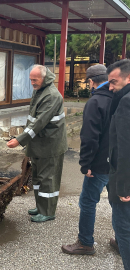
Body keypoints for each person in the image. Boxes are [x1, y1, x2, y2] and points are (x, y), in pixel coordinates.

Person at [61, 64, 112, 255]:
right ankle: (123, 239)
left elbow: (90, 138)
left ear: (91, 82)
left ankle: (85, 242)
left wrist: (86, 164)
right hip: (118, 163)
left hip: (99, 165)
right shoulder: (121, 98)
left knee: (88, 202)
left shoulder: (96, 102)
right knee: (118, 203)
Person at [7, 65, 67, 223]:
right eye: (31, 80)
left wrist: (20, 140)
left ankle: (48, 211)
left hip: (50, 144)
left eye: (35, 79)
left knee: (48, 179)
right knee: (38, 177)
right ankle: (40, 206)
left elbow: (39, 122)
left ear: (44, 78)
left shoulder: (51, 96)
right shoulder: (40, 90)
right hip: (40, 143)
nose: (32, 82)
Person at [105, 59, 130, 269]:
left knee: (124, 229)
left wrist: (123, 186)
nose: (110, 87)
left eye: (114, 82)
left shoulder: (126, 102)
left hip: (125, 184)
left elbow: (125, 148)